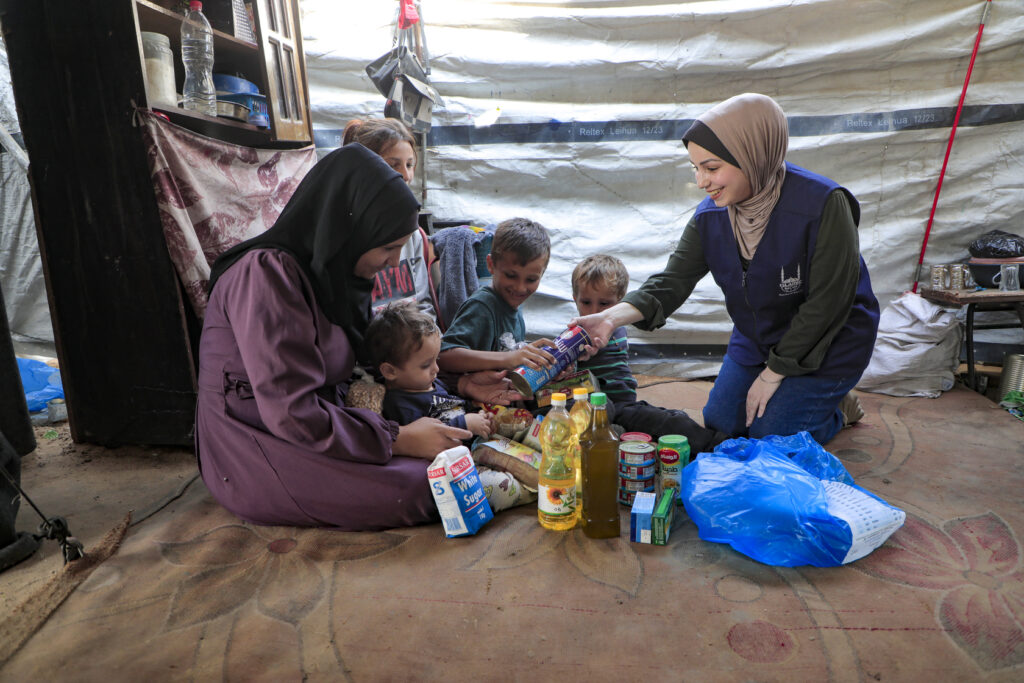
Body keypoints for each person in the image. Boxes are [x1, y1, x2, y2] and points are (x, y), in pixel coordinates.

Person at [195, 143, 483, 531]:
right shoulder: (266, 276)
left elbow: (381, 360)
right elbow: (290, 411)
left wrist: (459, 381)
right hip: (254, 441)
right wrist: (397, 439)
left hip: (320, 425)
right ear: (348, 230)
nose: (395, 263)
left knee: (448, 465)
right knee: (431, 486)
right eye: (387, 247)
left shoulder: (333, 277)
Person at [573, 93, 879, 446]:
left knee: (771, 437)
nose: (702, 181)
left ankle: (837, 410)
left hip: (829, 340)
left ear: (753, 155)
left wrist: (774, 374)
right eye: (696, 168)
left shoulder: (823, 205)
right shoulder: (712, 216)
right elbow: (670, 283)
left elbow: (828, 304)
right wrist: (609, 319)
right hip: (760, 335)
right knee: (723, 424)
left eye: (712, 168)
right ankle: (805, 400)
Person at [572, 254, 725, 453]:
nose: (595, 311)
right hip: (606, 408)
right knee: (662, 423)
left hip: (626, 405)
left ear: (621, 302)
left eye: (604, 304)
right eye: (586, 302)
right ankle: (719, 446)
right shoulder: (575, 336)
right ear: (575, 299)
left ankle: (721, 447)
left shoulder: (617, 326)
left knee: (673, 419)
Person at [342, 118, 439, 324]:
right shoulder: (343, 234)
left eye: (410, 164)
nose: (405, 175)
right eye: (393, 165)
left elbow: (423, 304)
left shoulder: (414, 236)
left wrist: (425, 346)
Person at [438, 217, 556, 374]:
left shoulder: (514, 305)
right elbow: (444, 357)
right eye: (510, 275)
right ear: (491, 265)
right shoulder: (482, 306)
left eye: (531, 279)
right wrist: (509, 359)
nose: (520, 288)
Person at [365, 301, 495, 439]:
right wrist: (465, 423)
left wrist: (480, 414)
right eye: (426, 365)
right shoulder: (401, 406)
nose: (436, 369)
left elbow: (457, 404)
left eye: (436, 359)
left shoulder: (431, 383)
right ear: (390, 371)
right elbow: (428, 439)